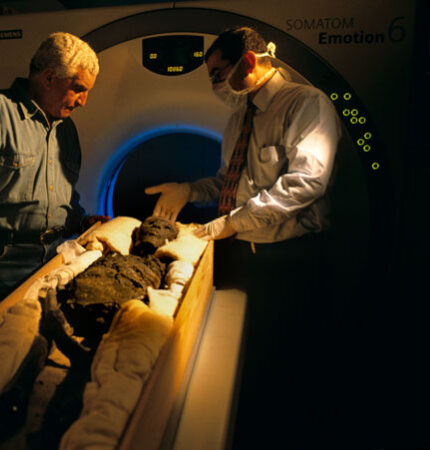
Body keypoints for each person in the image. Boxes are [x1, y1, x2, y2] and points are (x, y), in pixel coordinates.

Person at [146, 27, 341, 448]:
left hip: (290, 262)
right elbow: (227, 184)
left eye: (218, 74)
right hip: (243, 258)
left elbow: (306, 183)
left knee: (286, 371)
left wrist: (231, 222)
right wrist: (188, 189)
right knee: (243, 361)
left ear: (249, 63)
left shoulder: (307, 105)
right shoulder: (239, 118)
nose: (215, 85)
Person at [0, 32, 107, 325]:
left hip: (54, 255)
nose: (84, 101)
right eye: (78, 88)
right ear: (49, 78)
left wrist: (81, 221)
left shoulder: (66, 129)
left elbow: (63, 194)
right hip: (3, 263)